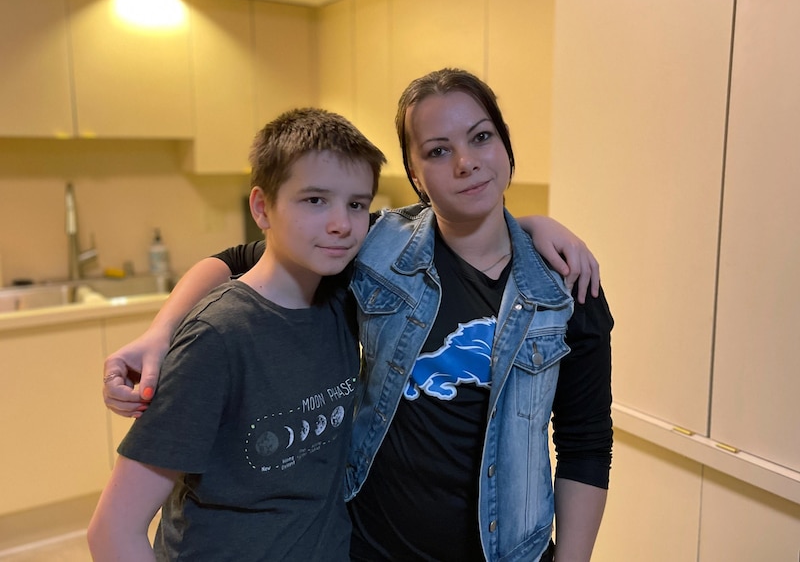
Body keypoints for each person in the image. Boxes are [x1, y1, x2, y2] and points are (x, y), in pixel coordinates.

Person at [103, 69, 612, 562]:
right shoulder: (375, 246)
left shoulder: (567, 285)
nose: (465, 162)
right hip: (372, 545)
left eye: (481, 137)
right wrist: (160, 333)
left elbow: (584, 443)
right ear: (415, 174)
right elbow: (242, 258)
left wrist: (529, 226)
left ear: (504, 145)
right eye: (438, 150)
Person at [87, 108, 386, 561]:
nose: (341, 224)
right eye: (314, 200)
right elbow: (112, 532)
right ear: (262, 208)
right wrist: (164, 331)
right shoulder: (217, 338)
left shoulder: (341, 294)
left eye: (357, 204)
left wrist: (532, 227)